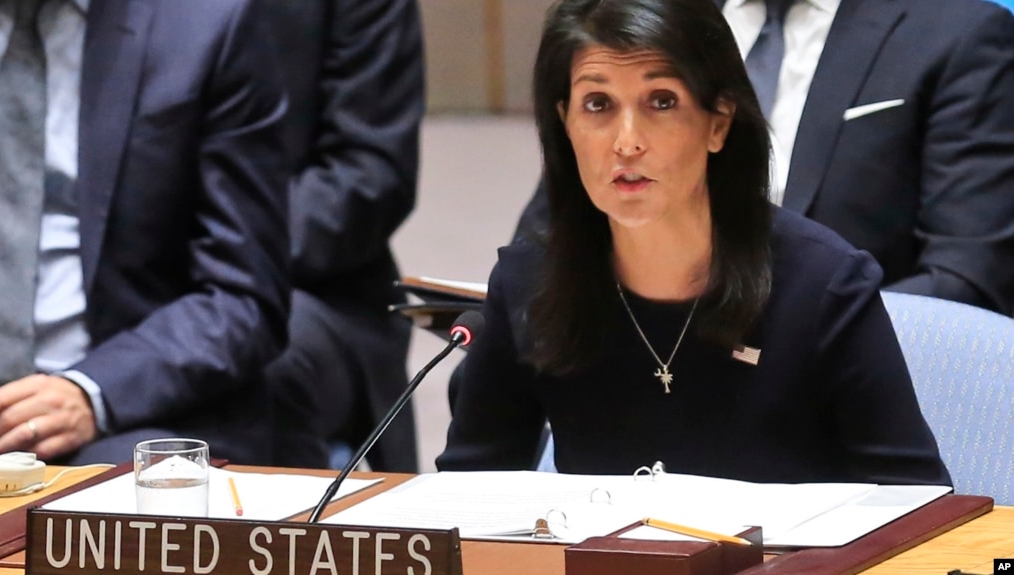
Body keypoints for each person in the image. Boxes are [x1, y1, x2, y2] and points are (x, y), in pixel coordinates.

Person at [437, 0, 951, 485]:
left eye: (661, 102)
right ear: (565, 123)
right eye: (598, 105)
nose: (627, 141)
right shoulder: (532, 282)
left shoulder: (822, 286)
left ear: (718, 122)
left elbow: (916, 504)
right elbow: (466, 501)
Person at [511, 0, 1014, 315]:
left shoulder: (957, 31)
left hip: (846, 378)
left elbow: (966, 273)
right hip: (636, 355)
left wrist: (804, 337)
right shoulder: (642, 21)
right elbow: (557, 227)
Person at [0, 0, 289, 465]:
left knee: (132, 507)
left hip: (117, 410)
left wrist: (89, 392)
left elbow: (242, 297)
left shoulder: (205, 26)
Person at [261, 0, 424, 471]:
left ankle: (296, 540)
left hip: (310, 284)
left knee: (258, 352)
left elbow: (367, 180)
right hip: (123, 273)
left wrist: (213, 251)